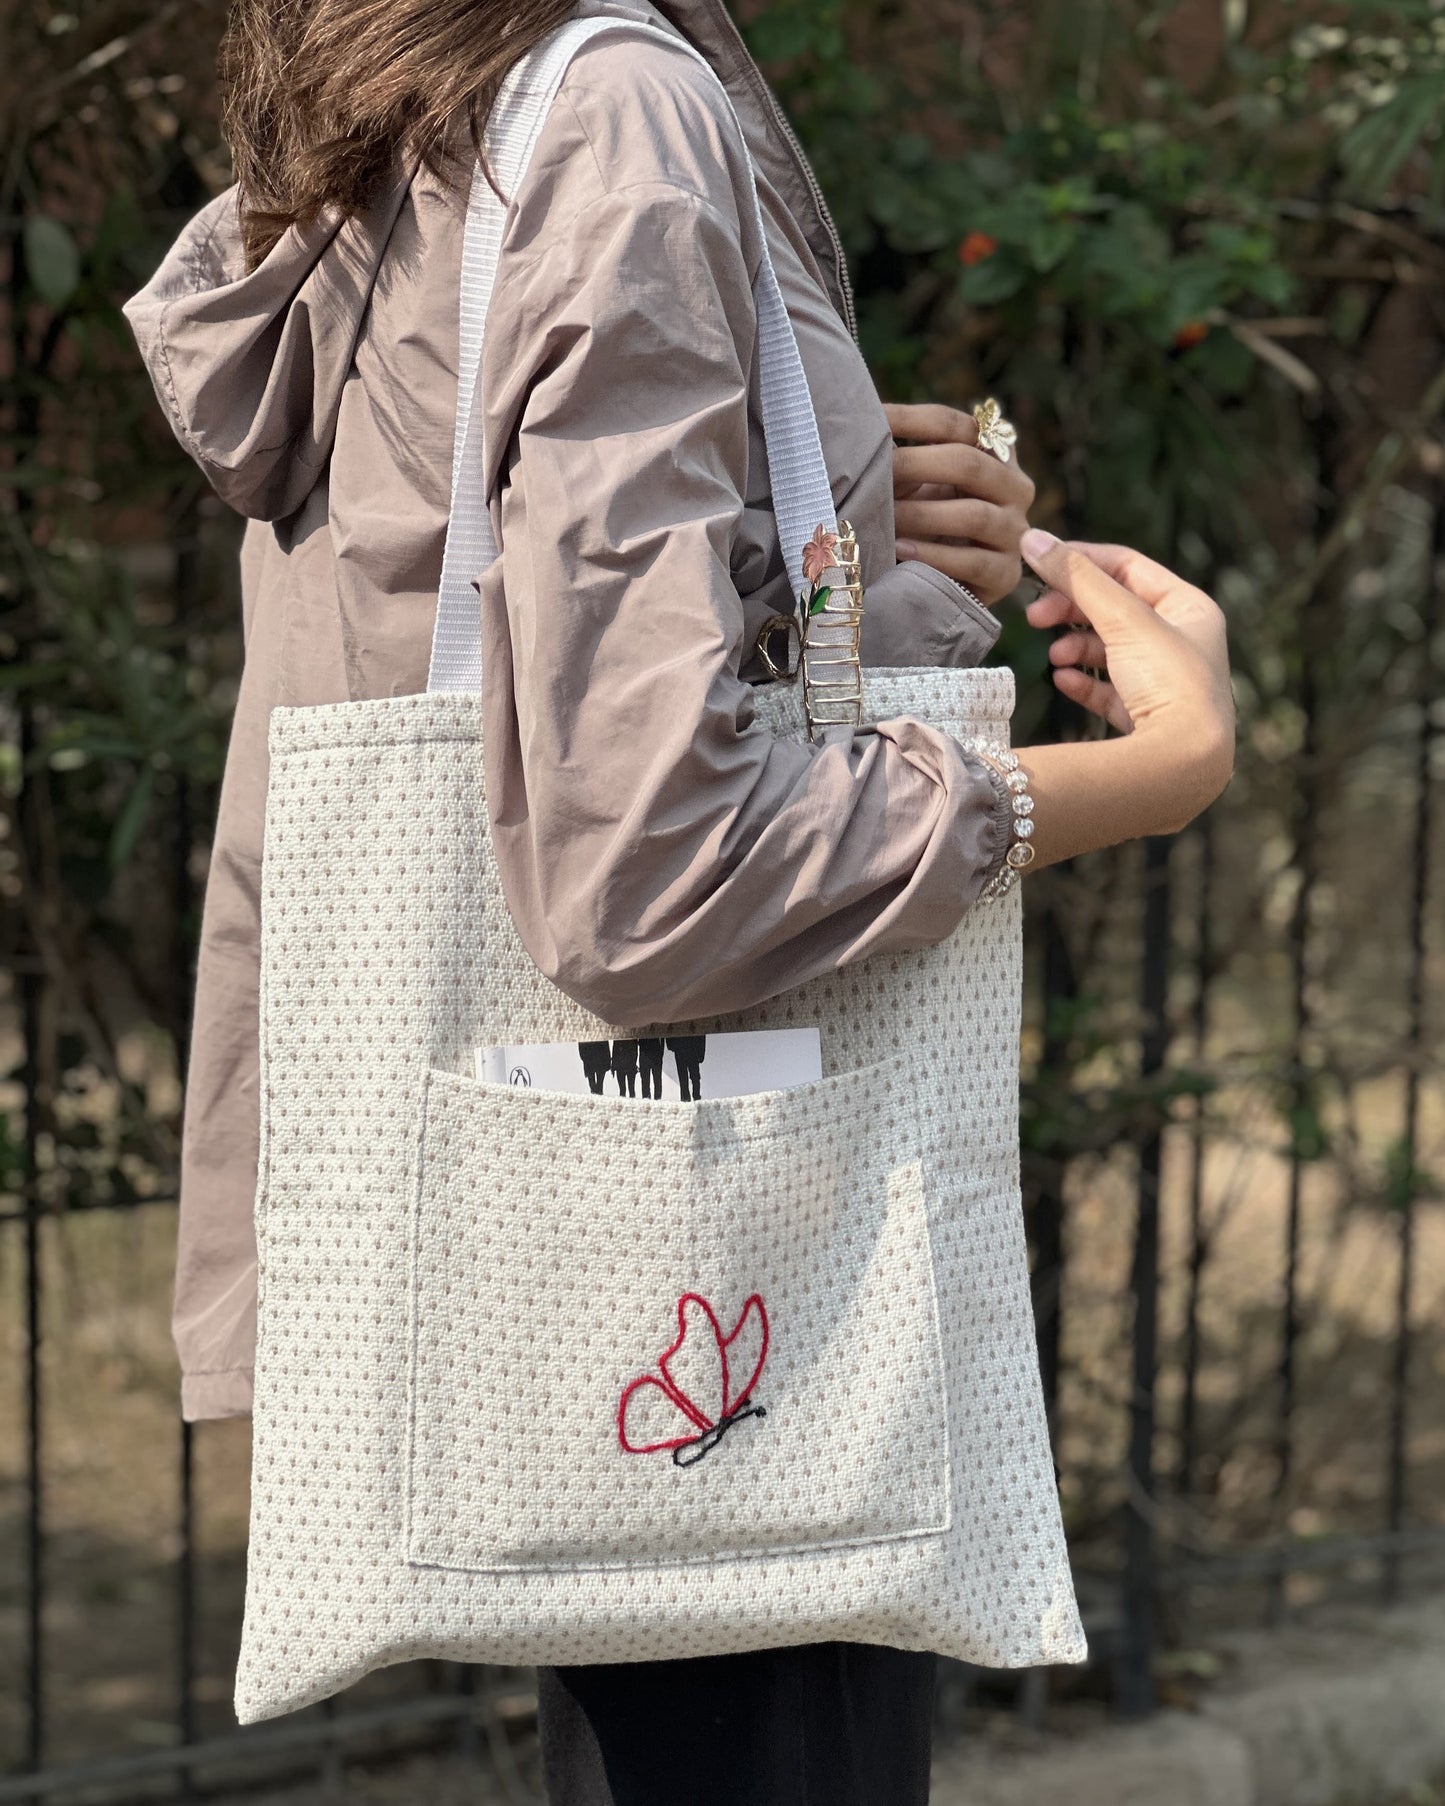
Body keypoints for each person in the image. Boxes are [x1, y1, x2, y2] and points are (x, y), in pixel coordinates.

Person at [121, 0, 1233, 1799]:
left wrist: (845, 518)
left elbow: (540, 639)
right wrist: (1150, 769)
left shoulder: (408, 101)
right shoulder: (617, 109)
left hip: (552, 1235)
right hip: (736, 1269)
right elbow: (651, 861)